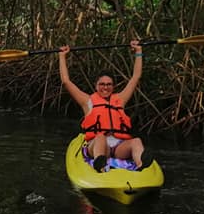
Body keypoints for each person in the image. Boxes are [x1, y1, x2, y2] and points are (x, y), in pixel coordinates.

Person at [58, 39, 151, 172]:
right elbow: (66, 82)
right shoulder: (87, 101)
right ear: (96, 86)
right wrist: (62, 56)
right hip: (97, 145)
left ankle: (141, 166)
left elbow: (135, 77)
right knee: (100, 137)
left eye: (109, 84)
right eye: (102, 84)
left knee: (136, 141)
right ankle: (100, 164)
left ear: (113, 86)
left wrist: (138, 51)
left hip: (119, 147)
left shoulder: (120, 99)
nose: (105, 87)